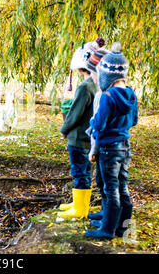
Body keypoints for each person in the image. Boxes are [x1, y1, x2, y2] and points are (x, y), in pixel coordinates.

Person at [85, 43, 138, 239]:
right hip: (125, 146)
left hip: (109, 149)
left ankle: (107, 230)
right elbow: (134, 121)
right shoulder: (131, 94)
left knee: (111, 188)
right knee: (123, 187)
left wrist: (92, 120)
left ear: (107, 74)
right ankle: (123, 228)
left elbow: (99, 124)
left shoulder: (107, 97)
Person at [57, 42, 98, 219]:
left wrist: (64, 129)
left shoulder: (85, 87)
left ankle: (80, 208)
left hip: (78, 137)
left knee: (79, 171)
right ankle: (78, 203)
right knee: (83, 170)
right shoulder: (98, 85)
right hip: (89, 137)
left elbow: (75, 113)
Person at [84, 48, 109, 225]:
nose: (91, 77)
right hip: (103, 145)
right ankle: (105, 211)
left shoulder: (103, 95)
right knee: (101, 180)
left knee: (108, 182)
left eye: (93, 73)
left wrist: (94, 149)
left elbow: (99, 125)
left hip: (103, 146)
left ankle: (109, 218)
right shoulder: (103, 94)